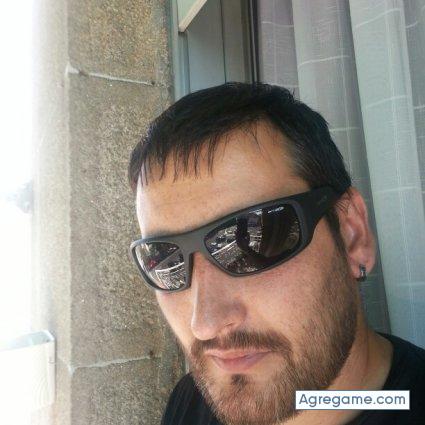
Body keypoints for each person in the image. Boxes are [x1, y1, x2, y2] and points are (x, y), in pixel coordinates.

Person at [127, 82, 425, 425]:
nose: (206, 323)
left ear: (351, 236)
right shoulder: (190, 401)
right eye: (165, 261)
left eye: (254, 241)